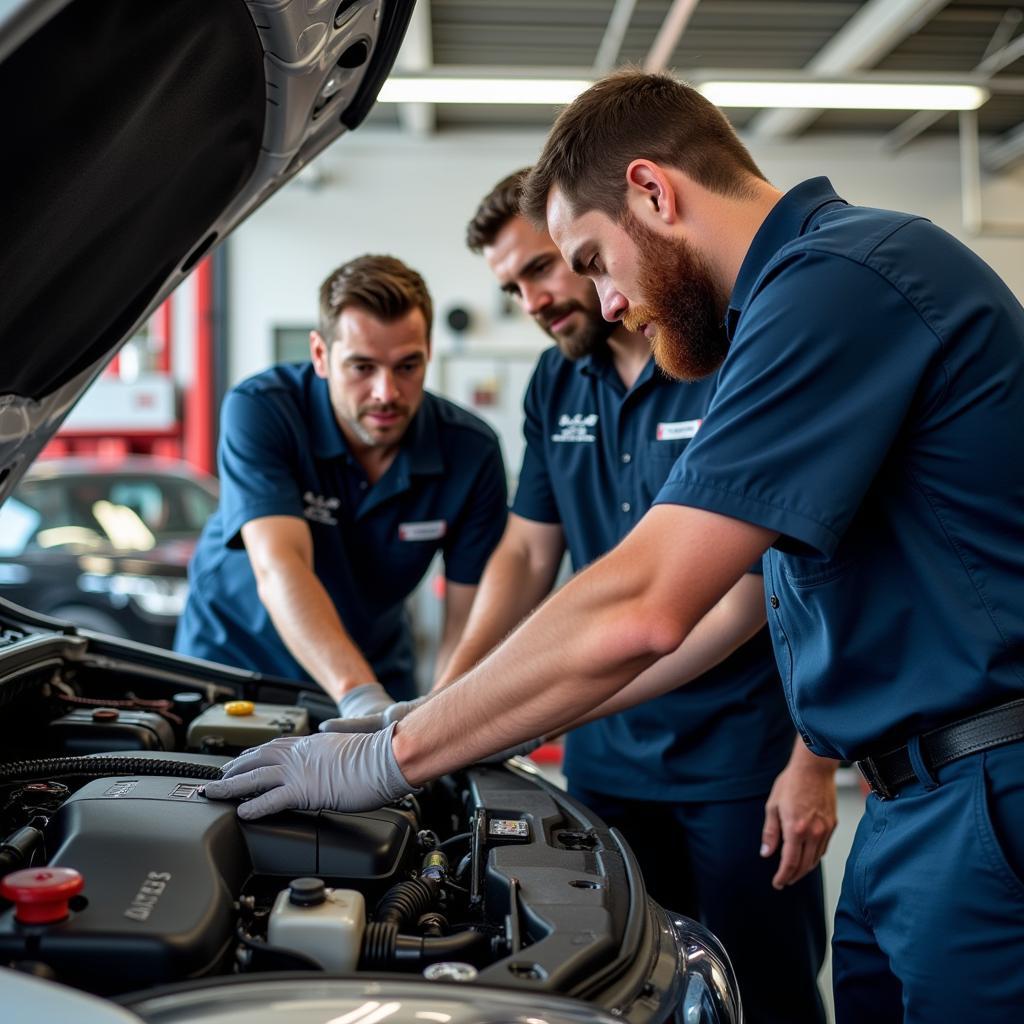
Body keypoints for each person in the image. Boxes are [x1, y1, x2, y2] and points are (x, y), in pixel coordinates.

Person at [203, 74, 1024, 1024]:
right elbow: (698, 623)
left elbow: (645, 607)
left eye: (593, 261)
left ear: (654, 191)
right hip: (909, 803)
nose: (606, 300)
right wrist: (459, 716)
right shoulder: (785, 304)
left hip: (981, 793)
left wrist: (396, 753)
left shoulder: (837, 282)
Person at [427, 168, 833, 1022]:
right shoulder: (553, 384)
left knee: (764, 992)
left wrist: (812, 763)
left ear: (596, 244)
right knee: (621, 988)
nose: (532, 299)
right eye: (511, 287)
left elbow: (755, 597)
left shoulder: (723, 358)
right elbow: (527, 553)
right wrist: (452, 696)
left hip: (740, 761)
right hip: (606, 764)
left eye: (544, 268)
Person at [175, 254, 508, 709]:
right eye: (362, 367)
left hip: (377, 666)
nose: (386, 393)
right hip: (235, 665)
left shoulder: (470, 451)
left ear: (429, 351)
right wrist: (359, 696)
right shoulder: (263, 411)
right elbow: (281, 566)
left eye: (407, 366)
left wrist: (447, 709)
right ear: (320, 355)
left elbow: (467, 616)